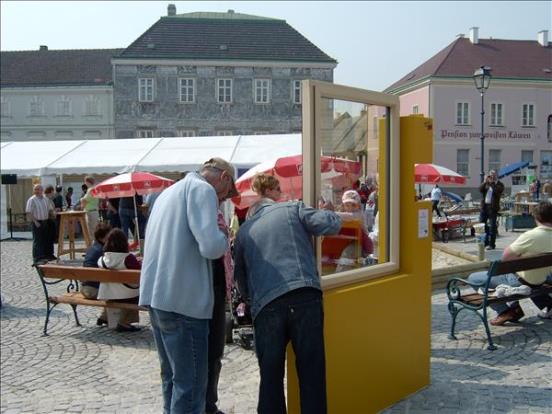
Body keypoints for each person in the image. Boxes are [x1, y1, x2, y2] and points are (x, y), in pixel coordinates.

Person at [139, 157, 238, 413]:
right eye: (227, 192)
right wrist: (224, 235)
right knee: (191, 387)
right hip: (185, 303)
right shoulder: (202, 189)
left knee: (172, 379)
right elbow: (211, 246)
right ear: (224, 178)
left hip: (159, 298)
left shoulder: (168, 192)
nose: (224, 198)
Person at [233, 197, 342, 414]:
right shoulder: (293, 208)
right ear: (271, 204)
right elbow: (331, 225)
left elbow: (241, 281)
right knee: (312, 372)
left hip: (267, 305)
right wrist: (330, 212)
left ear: (253, 213)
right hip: (304, 295)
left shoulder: (244, 232)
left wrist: (254, 299)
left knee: (270, 376)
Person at [467, 201, 552, 325]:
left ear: (536, 217)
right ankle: (546, 305)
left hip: (520, 281)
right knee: (535, 277)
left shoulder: (531, 235)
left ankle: (507, 311)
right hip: (541, 279)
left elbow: (505, 257)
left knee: (473, 278)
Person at [97, 228, 142, 332]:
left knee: (115, 288)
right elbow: (139, 273)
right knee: (137, 294)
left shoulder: (102, 260)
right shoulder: (128, 258)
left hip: (108, 295)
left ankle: (104, 316)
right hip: (127, 295)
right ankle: (124, 322)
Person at [83, 222, 112, 326]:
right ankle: (121, 321)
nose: (110, 239)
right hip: (94, 290)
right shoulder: (102, 251)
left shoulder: (91, 248)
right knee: (118, 292)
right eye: (108, 236)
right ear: (101, 237)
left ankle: (104, 317)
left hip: (85, 288)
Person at [26, 184, 56, 262]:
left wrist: (53, 213)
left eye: (38, 189)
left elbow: (50, 209)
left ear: (42, 190)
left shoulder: (45, 199)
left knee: (45, 239)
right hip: (36, 221)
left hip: (45, 221)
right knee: (37, 240)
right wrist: (35, 222)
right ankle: (37, 257)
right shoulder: (32, 199)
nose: (36, 191)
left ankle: (46, 255)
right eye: (35, 189)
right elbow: (28, 212)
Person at [479, 169, 504, 250]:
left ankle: (491, 244)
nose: (492, 176)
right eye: (491, 175)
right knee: (482, 225)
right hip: (484, 207)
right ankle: (484, 243)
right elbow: (480, 189)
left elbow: (497, 191)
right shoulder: (487, 183)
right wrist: (485, 181)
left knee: (492, 227)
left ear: (497, 175)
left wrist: (493, 182)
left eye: (494, 175)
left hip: (493, 208)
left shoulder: (500, 185)